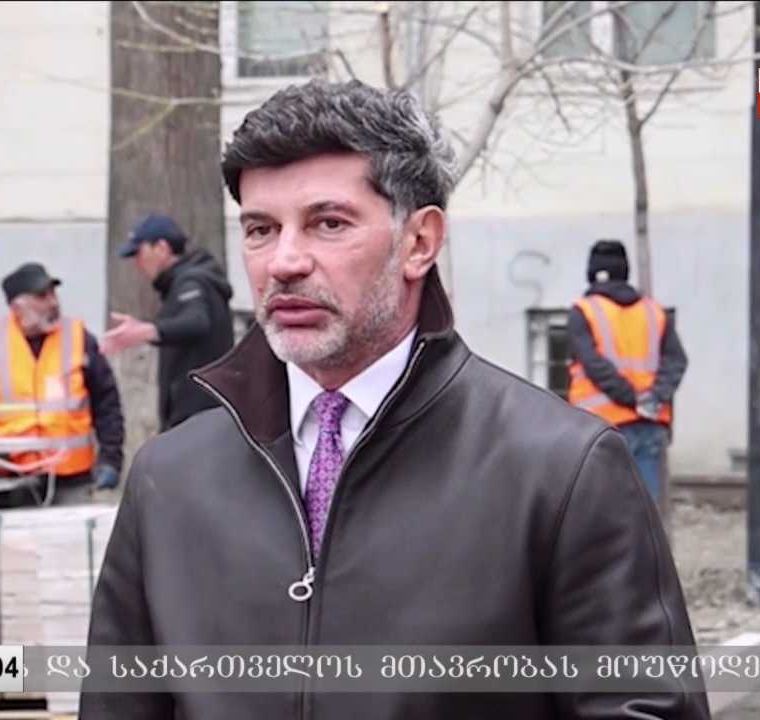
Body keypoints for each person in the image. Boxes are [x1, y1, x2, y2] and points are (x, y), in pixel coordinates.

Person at [82, 80, 709, 719]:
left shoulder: (560, 469)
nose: (285, 262)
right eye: (261, 229)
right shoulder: (170, 478)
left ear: (419, 243)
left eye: (328, 223)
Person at [0, 262, 124, 504]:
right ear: (17, 307)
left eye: (53, 294)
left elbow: (107, 402)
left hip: (71, 480)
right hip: (7, 481)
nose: (53, 303)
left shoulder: (79, 339)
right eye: (42, 297)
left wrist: (110, 459)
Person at [566, 239, 689, 503]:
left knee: (599, 511)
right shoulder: (653, 312)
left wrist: (630, 398)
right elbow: (676, 360)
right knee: (642, 512)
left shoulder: (583, 311)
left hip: (598, 427)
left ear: (592, 273)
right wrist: (652, 398)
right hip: (648, 424)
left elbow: (594, 365)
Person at [100, 213, 235, 431]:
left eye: (139, 253)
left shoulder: (191, 282)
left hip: (198, 421)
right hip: (199, 418)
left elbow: (197, 322)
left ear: (161, 248)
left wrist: (147, 331)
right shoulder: (185, 282)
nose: (137, 263)